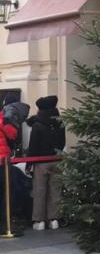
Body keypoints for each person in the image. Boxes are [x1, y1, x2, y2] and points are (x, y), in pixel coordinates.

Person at [26, 96, 66, 230]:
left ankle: (39, 221)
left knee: (39, 191)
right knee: (55, 191)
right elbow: (62, 143)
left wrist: (28, 163)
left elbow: (33, 146)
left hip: (40, 162)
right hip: (56, 160)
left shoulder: (37, 125)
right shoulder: (60, 122)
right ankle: (54, 219)